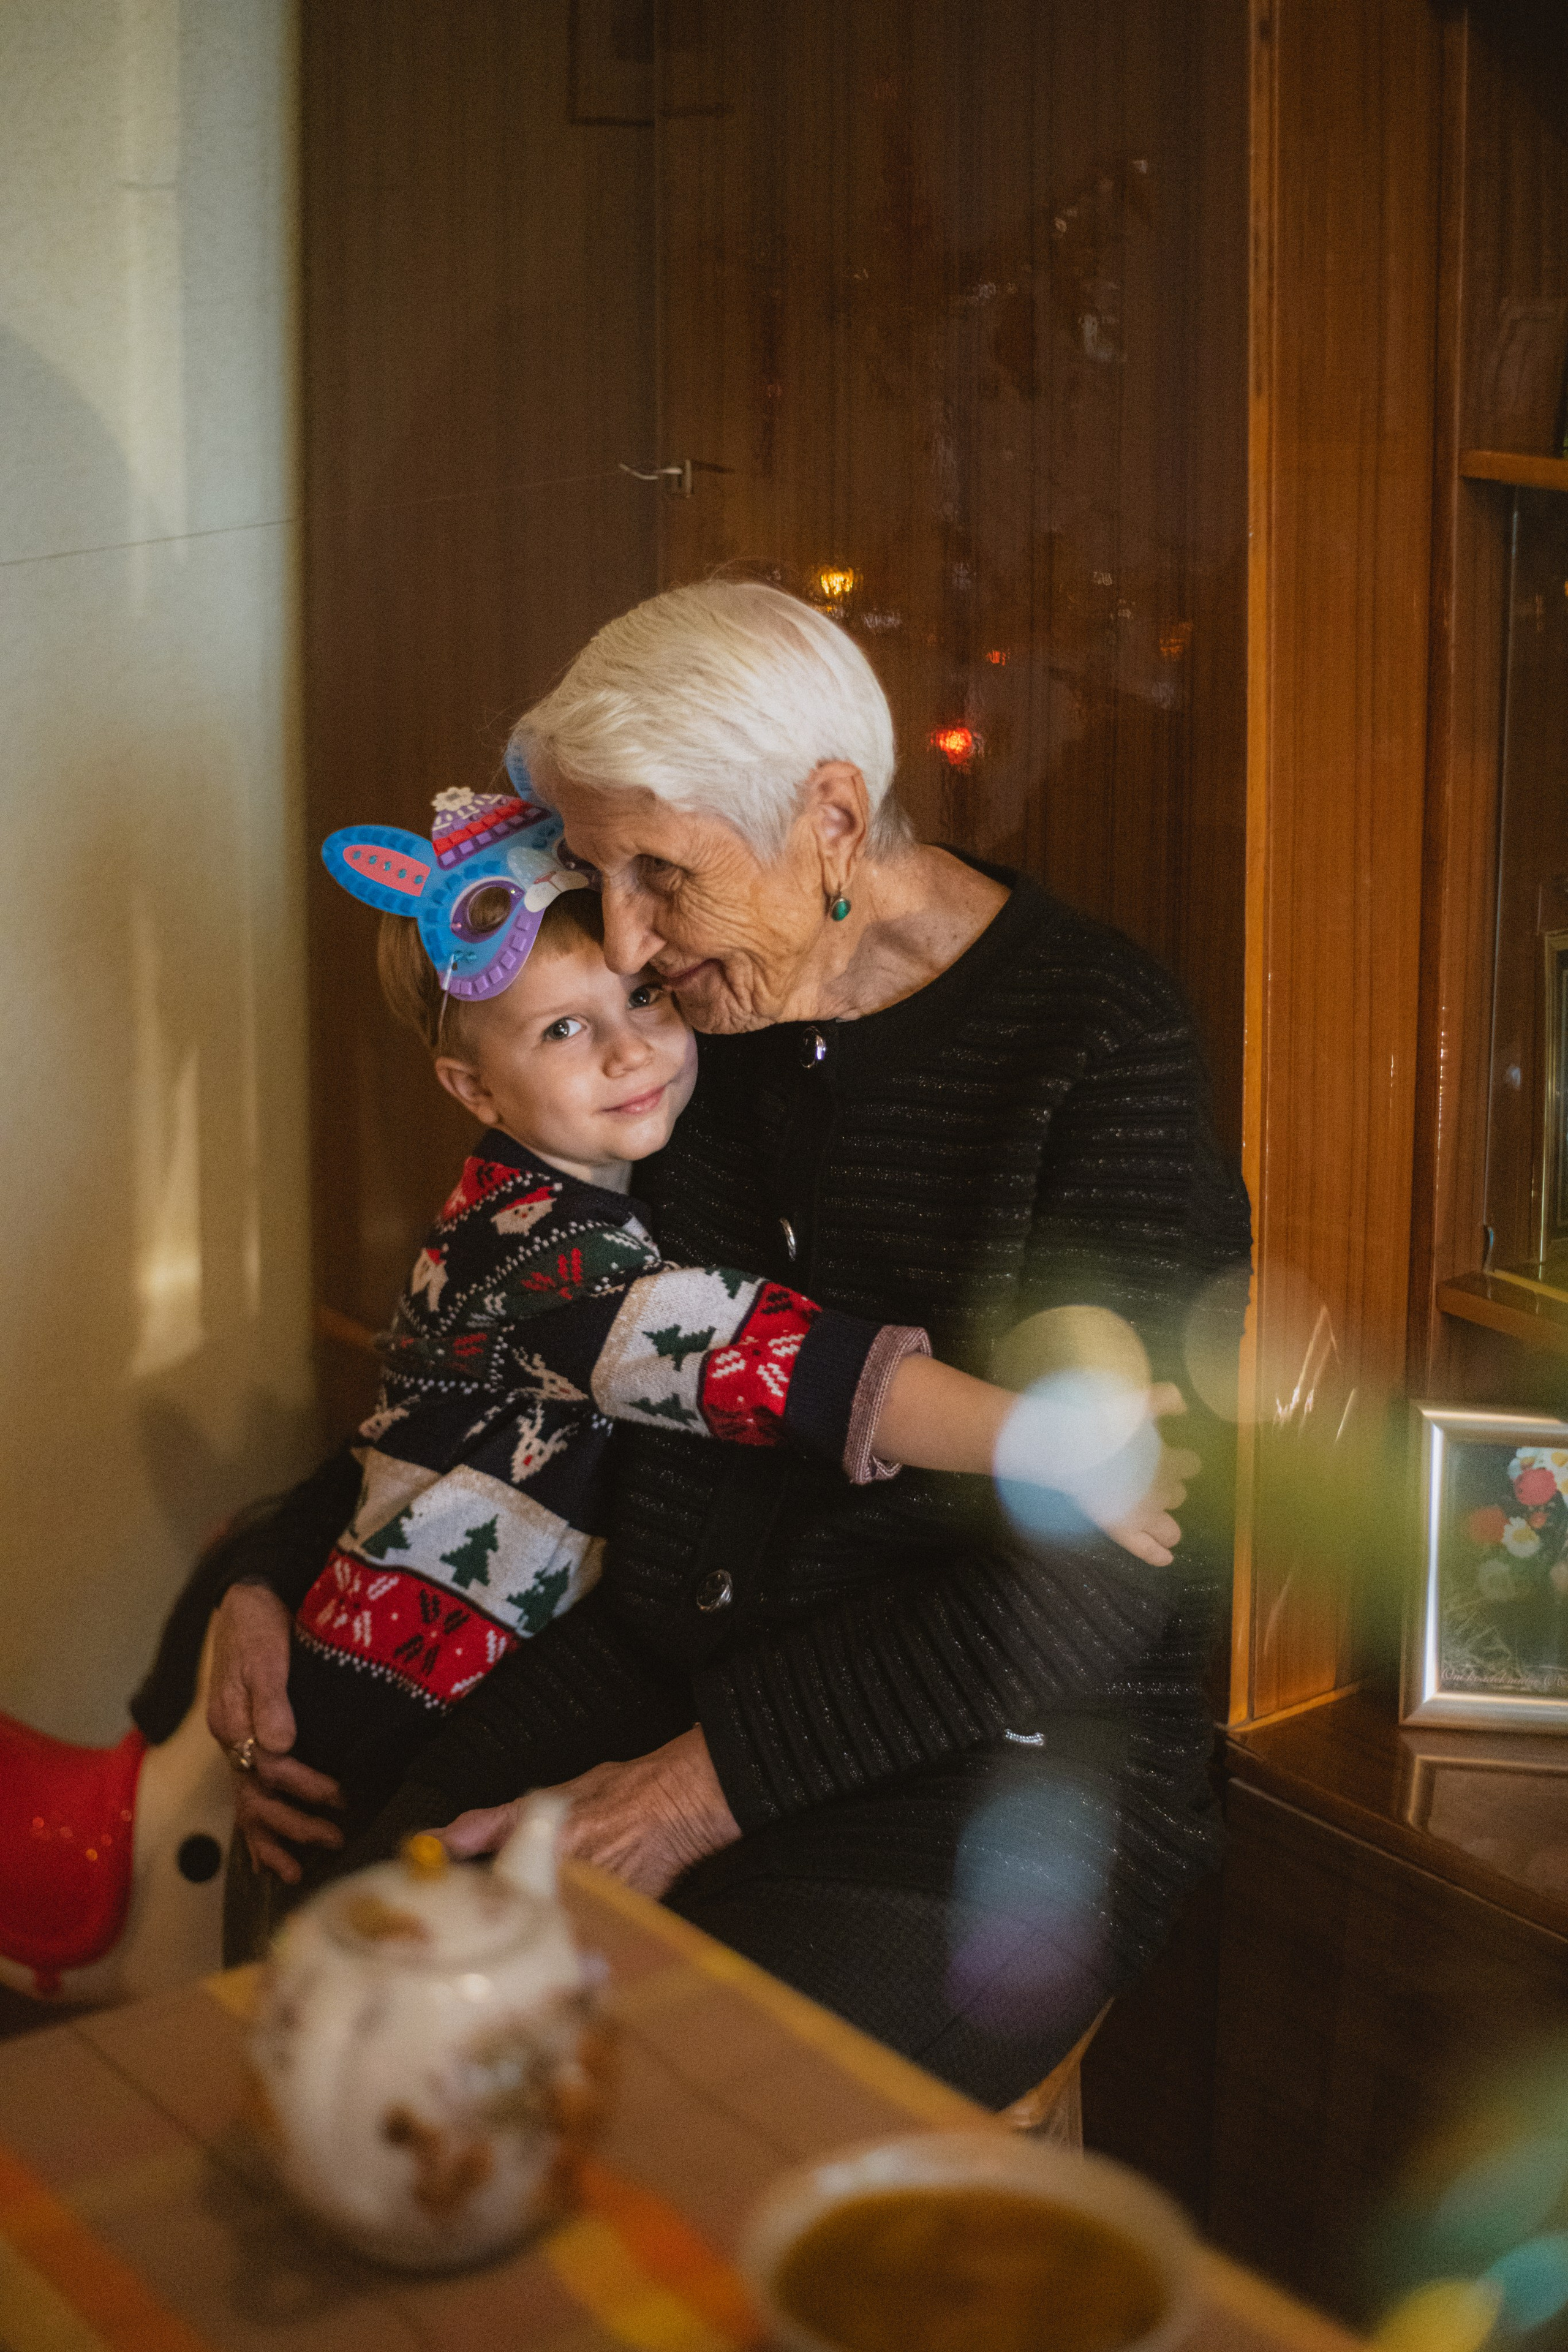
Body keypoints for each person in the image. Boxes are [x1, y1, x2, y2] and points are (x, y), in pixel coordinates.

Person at [209, 577, 1251, 2106]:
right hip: (664, 1670)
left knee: (649, 2117)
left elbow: (1101, 1583)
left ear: (830, 816)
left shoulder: (1092, 1044)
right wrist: (276, 1568)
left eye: (658, 874)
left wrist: (696, 1795)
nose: (624, 942)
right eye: (594, 872)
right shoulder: (692, 1037)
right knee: (336, 1994)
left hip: (989, 1767)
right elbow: (524, 1330)